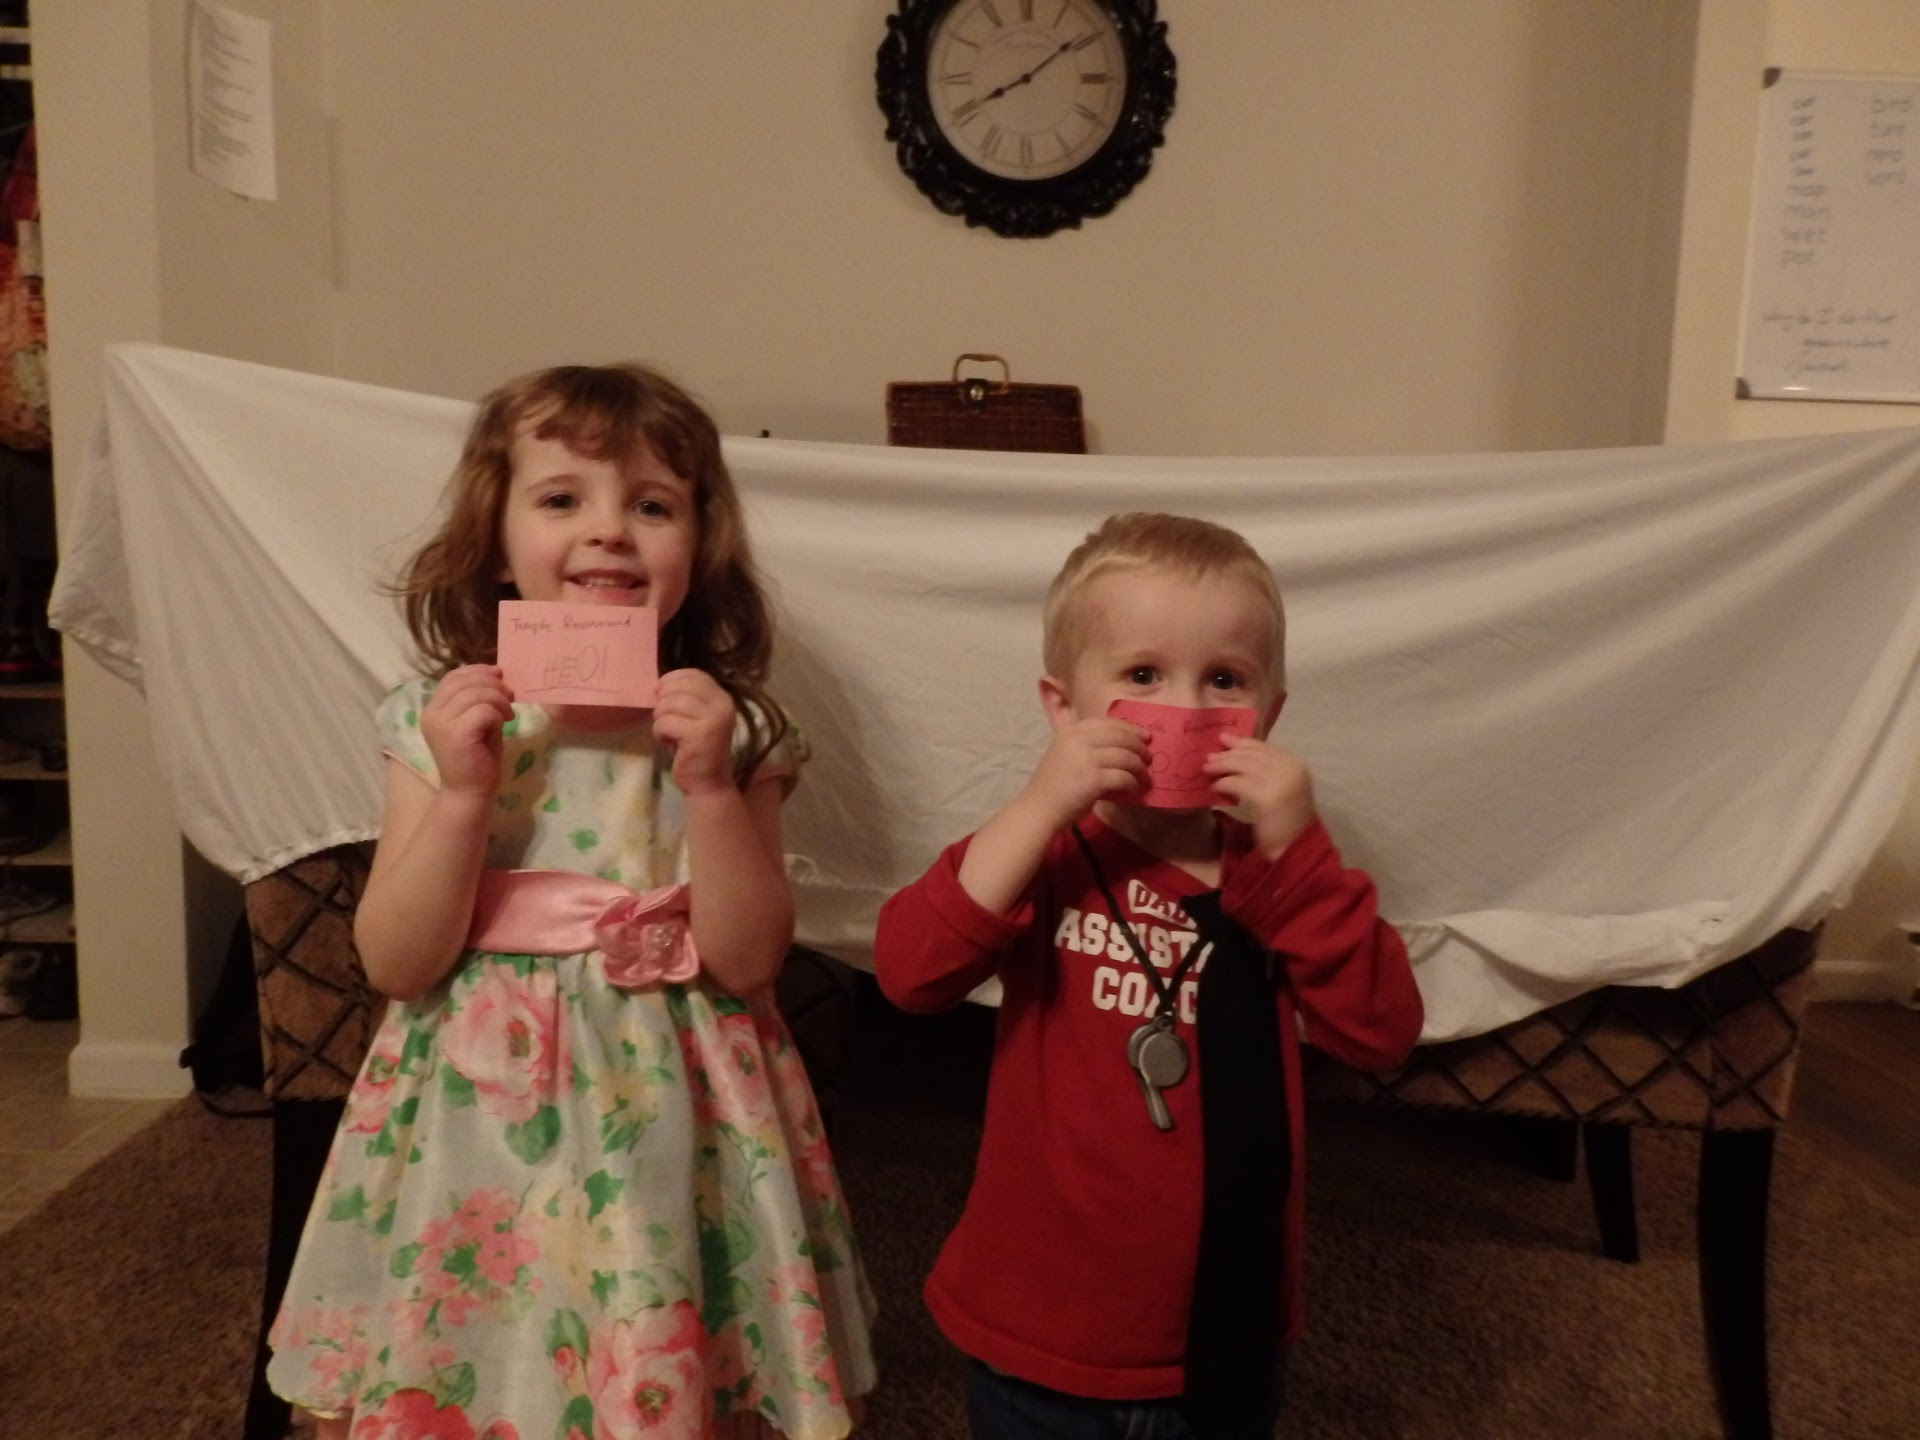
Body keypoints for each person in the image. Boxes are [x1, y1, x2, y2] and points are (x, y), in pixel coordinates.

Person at [267, 363, 877, 1440]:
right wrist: (464, 792)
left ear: (701, 544)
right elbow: (397, 964)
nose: (610, 531)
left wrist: (711, 788)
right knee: (482, 1341)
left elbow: (750, 961)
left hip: (675, 1109)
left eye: (652, 504)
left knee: (659, 1341)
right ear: (497, 547)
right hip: (477, 1111)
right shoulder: (440, 718)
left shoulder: (732, 728)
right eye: (562, 500)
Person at [873, 511, 1423, 1438]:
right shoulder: (1042, 853)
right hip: (1041, 1320)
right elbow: (909, 974)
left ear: (1269, 714)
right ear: (1064, 706)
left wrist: (1300, 856)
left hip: (1226, 1320)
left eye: (1224, 680)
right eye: (1141, 675)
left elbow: (1381, 1032)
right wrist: (1038, 804)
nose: (1185, 709)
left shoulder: (1280, 871)